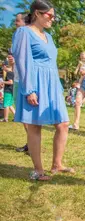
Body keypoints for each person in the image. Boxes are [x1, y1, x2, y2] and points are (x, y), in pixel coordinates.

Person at [12, 0, 74, 180]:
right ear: (37, 13)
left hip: (52, 83)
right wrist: (29, 89)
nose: (53, 19)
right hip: (35, 83)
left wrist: (57, 86)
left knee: (63, 124)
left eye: (54, 16)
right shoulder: (24, 32)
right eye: (50, 15)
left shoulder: (49, 36)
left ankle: (57, 164)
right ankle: (39, 170)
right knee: (35, 126)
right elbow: (23, 62)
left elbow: (52, 63)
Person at [8, 12, 28, 153]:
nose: (15, 23)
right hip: (17, 79)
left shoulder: (26, 36)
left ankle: (32, 144)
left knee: (26, 114)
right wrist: (13, 63)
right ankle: (30, 142)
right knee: (21, 115)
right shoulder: (18, 37)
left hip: (24, 81)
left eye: (17, 21)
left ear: (25, 23)